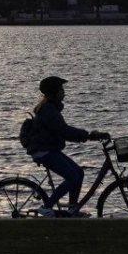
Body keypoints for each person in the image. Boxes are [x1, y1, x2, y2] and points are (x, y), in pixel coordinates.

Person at [24, 76, 109, 217]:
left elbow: (63, 131)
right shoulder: (49, 110)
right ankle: (46, 207)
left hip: (48, 149)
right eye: (61, 90)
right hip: (43, 151)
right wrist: (88, 136)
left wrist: (87, 136)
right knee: (73, 177)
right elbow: (65, 131)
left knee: (79, 173)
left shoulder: (49, 108)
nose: (64, 92)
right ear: (55, 92)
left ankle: (72, 209)